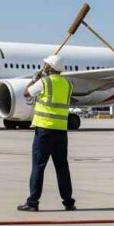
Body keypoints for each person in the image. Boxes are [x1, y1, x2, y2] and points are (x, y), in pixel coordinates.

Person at [18, 54, 76, 212]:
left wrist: (35, 78)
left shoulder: (44, 82)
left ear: (50, 68)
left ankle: (32, 202)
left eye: (45, 65)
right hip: (61, 130)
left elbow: (26, 93)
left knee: (38, 166)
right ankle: (68, 202)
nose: (43, 67)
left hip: (44, 130)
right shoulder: (68, 84)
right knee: (62, 166)